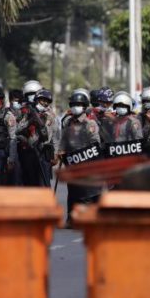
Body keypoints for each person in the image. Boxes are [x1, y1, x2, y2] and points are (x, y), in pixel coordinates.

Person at [60, 92, 102, 220]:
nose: (75, 107)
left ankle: (89, 216)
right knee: (72, 190)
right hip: (72, 162)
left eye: (78, 105)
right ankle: (71, 218)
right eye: (73, 105)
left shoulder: (90, 124)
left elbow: (95, 144)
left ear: (84, 107)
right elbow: (64, 140)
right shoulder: (67, 122)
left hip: (87, 162)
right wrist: (61, 151)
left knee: (88, 191)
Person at [16, 88, 51, 187]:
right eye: (42, 100)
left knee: (44, 183)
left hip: (43, 153)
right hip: (29, 152)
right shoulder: (28, 113)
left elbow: (53, 136)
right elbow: (18, 129)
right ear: (36, 100)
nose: (44, 103)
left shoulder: (50, 116)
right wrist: (30, 121)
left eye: (46, 102)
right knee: (30, 182)